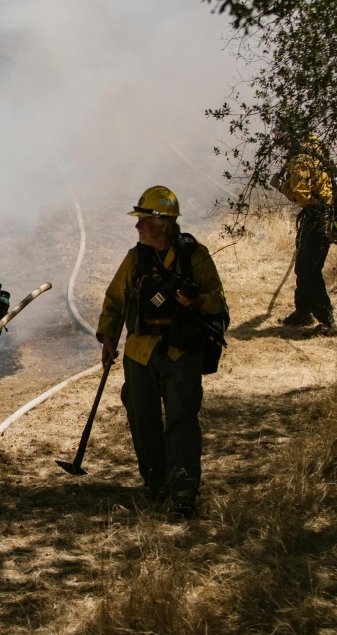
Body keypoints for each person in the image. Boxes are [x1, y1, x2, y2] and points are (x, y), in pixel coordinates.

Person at [96, 186, 226, 519]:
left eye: (143, 221)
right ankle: (157, 484)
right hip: (140, 354)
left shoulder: (195, 257)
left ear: (163, 223)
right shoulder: (135, 259)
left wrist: (196, 302)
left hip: (182, 353)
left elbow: (218, 302)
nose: (137, 227)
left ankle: (184, 493)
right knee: (143, 419)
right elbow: (115, 301)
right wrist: (108, 337)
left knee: (182, 421)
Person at [272, 136, 337, 337]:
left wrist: (280, 186)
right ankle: (303, 312)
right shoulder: (315, 147)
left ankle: (327, 321)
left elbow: (302, 196)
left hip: (317, 219)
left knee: (309, 269)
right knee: (304, 265)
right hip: (323, 216)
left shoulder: (300, 160)